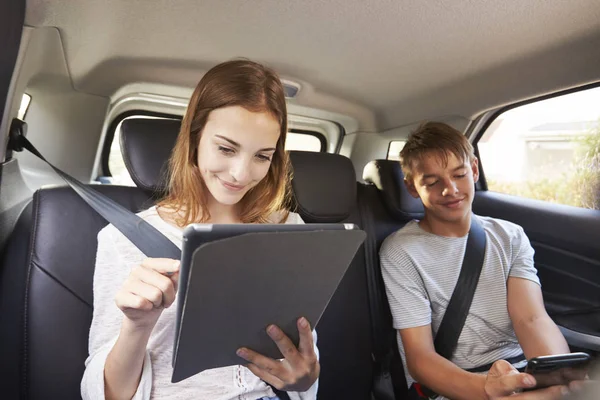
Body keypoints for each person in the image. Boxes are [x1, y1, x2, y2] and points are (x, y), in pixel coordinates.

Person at [81, 59, 320, 400]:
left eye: (262, 156)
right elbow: (105, 394)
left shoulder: (290, 230)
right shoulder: (122, 239)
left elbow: (305, 360)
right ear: (194, 138)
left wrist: (304, 378)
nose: (240, 173)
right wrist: (137, 327)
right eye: (226, 148)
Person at [379, 122, 573, 400]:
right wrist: (486, 390)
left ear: (474, 170)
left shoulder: (510, 236)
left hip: (520, 372)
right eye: (432, 182)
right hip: (456, 384)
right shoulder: (401, 251)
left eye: (459, 175)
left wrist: (557, 379)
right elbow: (420, 357)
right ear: (412, 187)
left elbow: (530, 318)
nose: (450, 189)